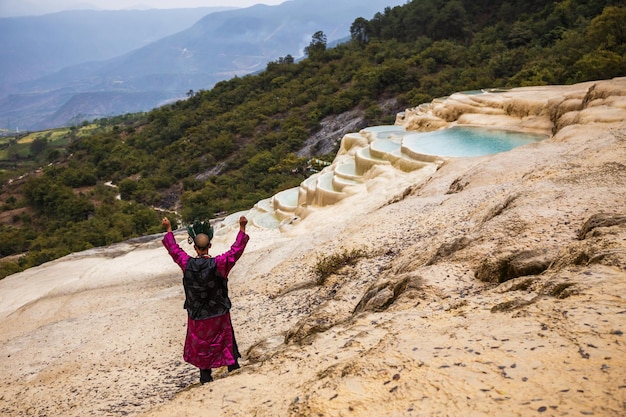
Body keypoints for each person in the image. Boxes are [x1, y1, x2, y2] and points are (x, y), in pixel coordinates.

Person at [161, 216, 249, 384]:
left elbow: (174, 250)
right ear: (210, 246)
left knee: (202, 344)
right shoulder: (220, 263)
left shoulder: (187, 264)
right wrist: (242, 228)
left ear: (194, 247)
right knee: (224, 338)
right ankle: (232, 367)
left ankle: (205, 375)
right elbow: (235, 251)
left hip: (197, 314)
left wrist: (169, 229)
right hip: (219, 311)